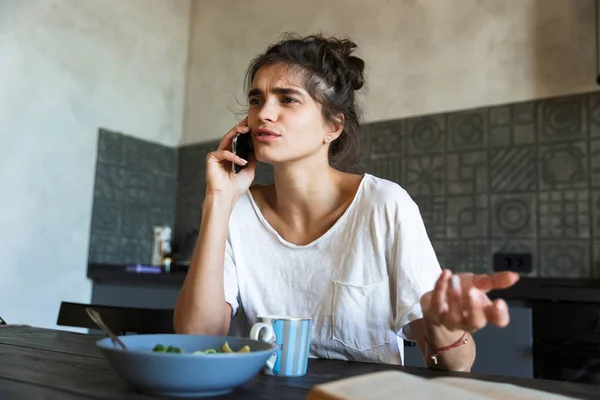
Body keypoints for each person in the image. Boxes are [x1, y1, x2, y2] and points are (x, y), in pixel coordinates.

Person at [174, 33, 519, 371]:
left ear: (333, 126)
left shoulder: (385, 206)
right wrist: (217, 201)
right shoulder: (236, 211)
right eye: (256, 100)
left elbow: (457, 364)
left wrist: (444, 325)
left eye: (287, 99)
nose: (264, 113)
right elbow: (198, 338)